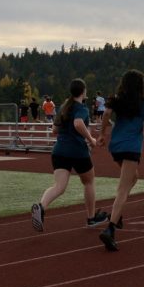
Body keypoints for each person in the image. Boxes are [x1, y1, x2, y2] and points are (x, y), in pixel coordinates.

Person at [31, 78, 108, 232]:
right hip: (77, 151)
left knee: (59, 187)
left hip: (59, 150)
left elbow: (54, 130)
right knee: (89, 181)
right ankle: (91, 218)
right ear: (84, 91)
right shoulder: (81, 108)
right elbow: (78, 123)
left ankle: (41, 207)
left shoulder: (64, 107)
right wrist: (91, 139)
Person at [97, 69, 144, 251]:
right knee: (123, 189)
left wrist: (101, 134)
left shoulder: (117, 99)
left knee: (133, 178)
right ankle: (110, 228)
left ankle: (116, 213)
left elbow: (106, 114)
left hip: (116, 145)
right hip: (131, 147)